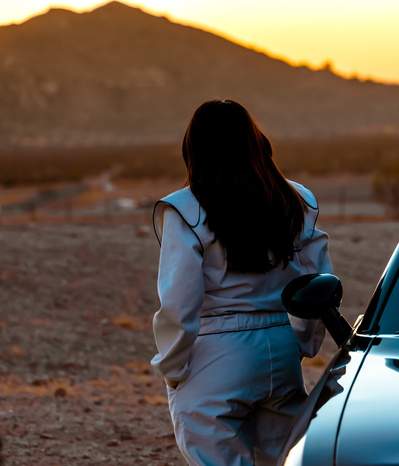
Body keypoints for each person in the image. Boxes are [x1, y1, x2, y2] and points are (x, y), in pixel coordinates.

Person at [151, 99, 331, 465]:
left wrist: (173, 370)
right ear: (254, 140)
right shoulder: (295, 200)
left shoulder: (185, 210)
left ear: (193, 147)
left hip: (215, 355)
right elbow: (317, 285)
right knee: (286, 460)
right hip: (280, 352)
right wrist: (303, 344)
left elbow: (179, 301)